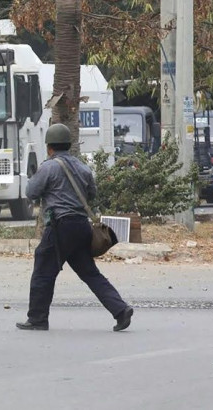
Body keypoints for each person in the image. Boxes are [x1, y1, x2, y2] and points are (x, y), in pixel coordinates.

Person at [16, 123, 133, 332]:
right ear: (68, 145)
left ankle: (37, 319)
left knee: (43, 271)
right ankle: (120, 309)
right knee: (90, 273)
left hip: (61, 226)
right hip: (81, 226)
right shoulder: (82, 167)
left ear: (49, 146)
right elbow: (92, 194)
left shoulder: (49, 166)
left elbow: (31, 192)